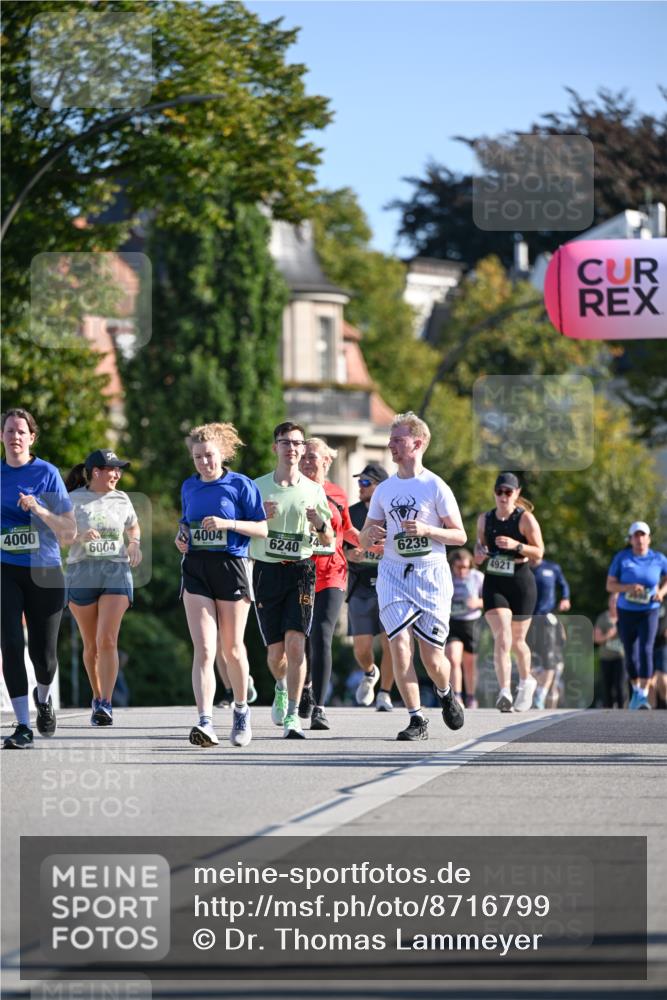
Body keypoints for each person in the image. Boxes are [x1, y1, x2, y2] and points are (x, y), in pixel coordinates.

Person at [358, 411, 466, 741]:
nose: (390, 445)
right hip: (392, 573)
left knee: (433, 658)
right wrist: (369, 537)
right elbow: (364, 537)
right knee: (399, 647)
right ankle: (416, 718)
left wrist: (427, 529)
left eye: (397, 439)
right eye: (390, 440)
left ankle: (446, 692)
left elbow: (460, 535)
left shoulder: (435, 486)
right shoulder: (384, 490)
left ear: (417, 443)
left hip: (430, 574)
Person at [175, 422, 267, 748]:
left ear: (222, 454)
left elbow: (263, 529)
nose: (204, 463)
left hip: (232, 566)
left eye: (209, 456)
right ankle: (205, 722)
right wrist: (181, 538)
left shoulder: (240, 485)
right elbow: (185, 524)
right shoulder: (189, 486)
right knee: (204, 650)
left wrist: (228, 524)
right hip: (197, 568)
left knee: (231, 649)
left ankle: (241, 711)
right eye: (198, 457)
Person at [250, 422, 333, 739]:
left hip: (301, 570)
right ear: (276, 448)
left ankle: (294, 715)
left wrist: (320, 521)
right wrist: (260, 518)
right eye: (285, 443)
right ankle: (282, 686)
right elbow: (242, 527)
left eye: (297, 443)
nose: (292, 448)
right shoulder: (257, 487)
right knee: (276, 654)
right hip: (266, 570)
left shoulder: (314, 490)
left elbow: (329, 535)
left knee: (297, 643)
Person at [1, 408, 76, 748]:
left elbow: (69, 531)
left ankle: (42, 699)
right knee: (12, 645)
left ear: (32, 438)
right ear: (2, 437)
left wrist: (39, 509)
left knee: (43, 657)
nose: (15, 436)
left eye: (21, 431)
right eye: (9, 431)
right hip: (5, 568)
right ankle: (22, 725)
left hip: (44, 570)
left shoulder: (47, 474)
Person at [64, 448, 142, 727]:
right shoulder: (72, 500)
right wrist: (79, 536)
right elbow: (59, 537)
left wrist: (134, 543)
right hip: (81, 573)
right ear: (96, 471)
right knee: (91, 646)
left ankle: (106, 703)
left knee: (107, 640)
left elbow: (133, 527)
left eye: (119, 469)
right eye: (113, 469)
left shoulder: (122, 499)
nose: (118, 474)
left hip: (115, 572)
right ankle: (97, 696)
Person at [298, 438, 359, 730]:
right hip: (298, 572)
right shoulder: (293, 490)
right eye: (303, 457)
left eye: (312, 457)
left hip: (332, 572)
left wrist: (373, 543)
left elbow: (346, 530)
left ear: (327, 461)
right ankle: (305, 684)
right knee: (302, 636)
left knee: (322, 633)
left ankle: (319, 707)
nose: (307, 462)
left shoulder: (337, 494)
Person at [473, 472, 544, 713]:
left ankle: (526, 681)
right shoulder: (485, 519)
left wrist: (517, 545)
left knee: (517, 640)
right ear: (494, 493)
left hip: (521, 581)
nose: (503, 496)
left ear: (517, 494)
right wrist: (479, 555)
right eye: (499, 491)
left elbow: (539, 552)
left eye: (508, 492)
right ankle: (504, 691)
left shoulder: (525, 520)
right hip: (494, 581)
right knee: (502, 636)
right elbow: (477, 551)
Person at [344, 462, 395, 712]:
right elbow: (339, 545)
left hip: (390, 584)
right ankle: (369, 672)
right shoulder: (351, 512)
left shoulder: (393, 512)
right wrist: (349, 555)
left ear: (380, 487)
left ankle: (384, 693)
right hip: (360, 586)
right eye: (359, 482)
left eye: (366, 483)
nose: (360, 487)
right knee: (362, 647)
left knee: (391, 642)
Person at [606, 521, 667, 710]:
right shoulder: (622, 558)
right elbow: (610, 585)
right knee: (631, 654)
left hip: (650, 610)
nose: (640, 539)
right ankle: (635, 689)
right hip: (626, 611)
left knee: (646, 649)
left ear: (649, 538)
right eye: (636, 535)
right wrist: (628, 588)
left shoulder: (658, 558)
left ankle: (642, 695)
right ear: (631, 539)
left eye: (643, 535)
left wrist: (662, 592)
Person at [529, 558, 571, 710]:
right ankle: (530, 690)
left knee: (549, 659)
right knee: (526, 658)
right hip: (525, 619)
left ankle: (540, 694)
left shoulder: (552, 567)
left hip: (547, 618)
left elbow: (564, 585)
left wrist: (565, 599)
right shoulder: (522, 567)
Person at [445, 549, 484, 709]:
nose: (462, 571)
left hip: (471, 622)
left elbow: (490, 599)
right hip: (452, 621)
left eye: (465, 567)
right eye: (458, 567)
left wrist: (478, 603)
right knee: (454, 659)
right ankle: (457, 697)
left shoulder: (477, 577)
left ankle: (471, 697)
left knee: (470, 663)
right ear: (452, 566)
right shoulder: (446, 576)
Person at [594, 593, 627, 709]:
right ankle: (607, 712)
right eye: (612, 600)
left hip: (621, 657)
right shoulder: (603, 618)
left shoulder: (625, 616)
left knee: (620, 685)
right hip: (606, 657)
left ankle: (622, 710)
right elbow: (596, 639)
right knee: (607, 686)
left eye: (616, 600)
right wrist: (609, 635)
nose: (614, 603)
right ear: (609, 602)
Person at [651, 596, 667, 709]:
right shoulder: (647, 598)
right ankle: (651, 709)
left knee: (663, 679)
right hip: (648, 643)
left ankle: (665, 701)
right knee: (649, 682)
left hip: (663, 643)